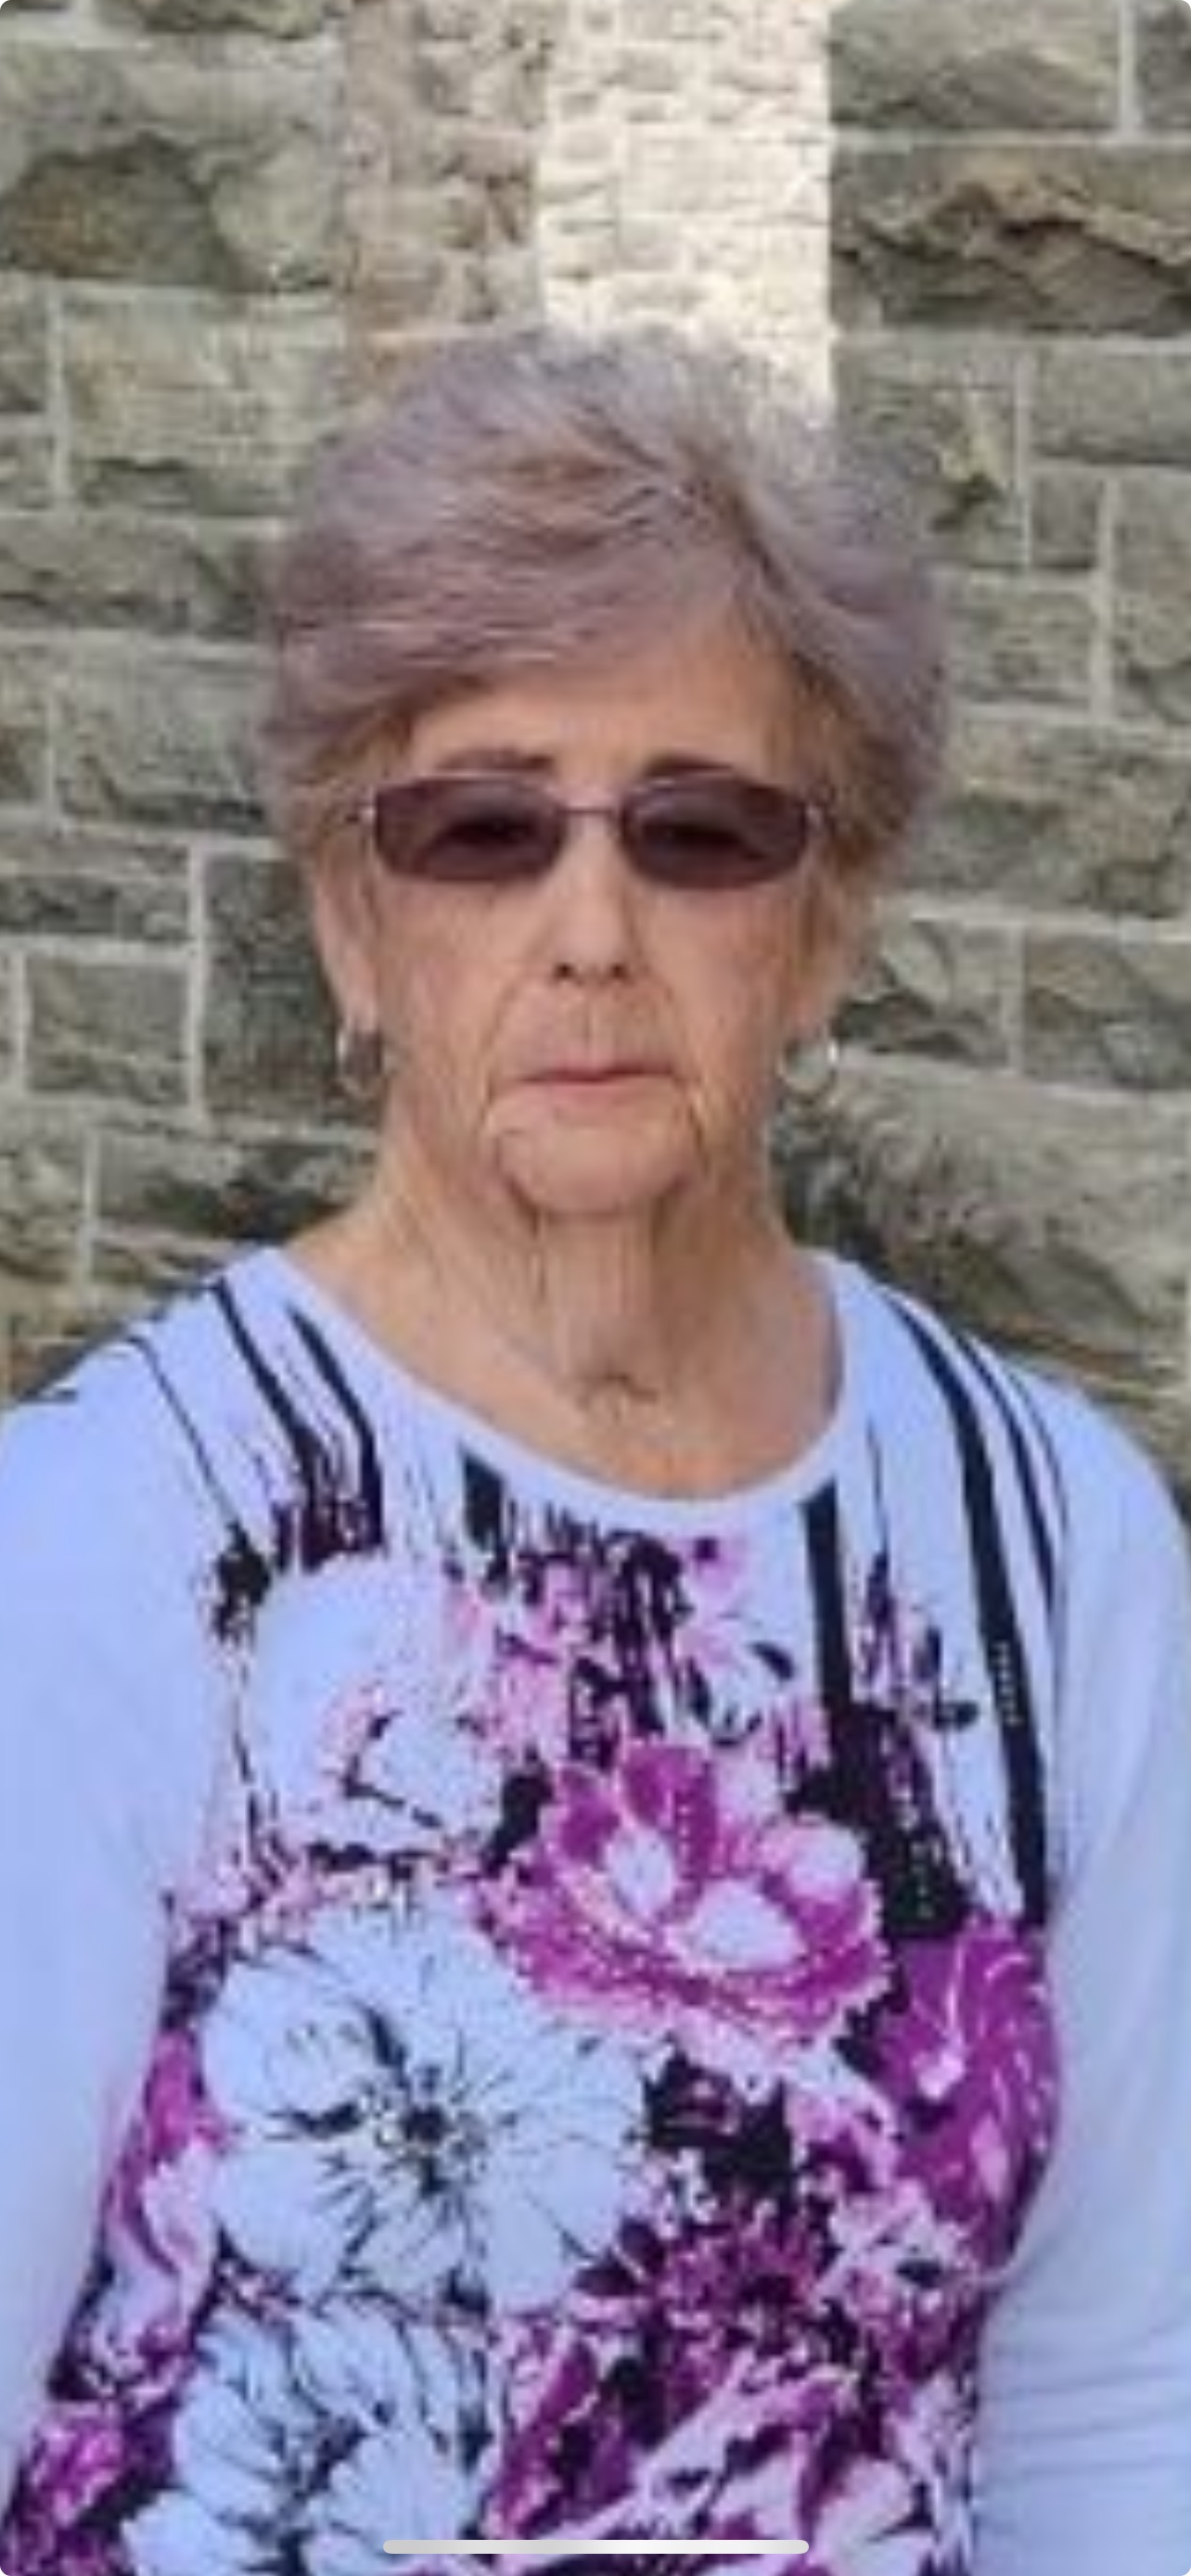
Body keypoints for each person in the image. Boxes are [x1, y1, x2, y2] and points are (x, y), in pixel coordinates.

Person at [0, 324, 1188, 2576]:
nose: (592, 932)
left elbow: (1120, 2397)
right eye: (480, 829)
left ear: (823, 928)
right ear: (353, 921)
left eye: (700, 831)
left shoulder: (1056, 1552)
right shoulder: (109, 1539)